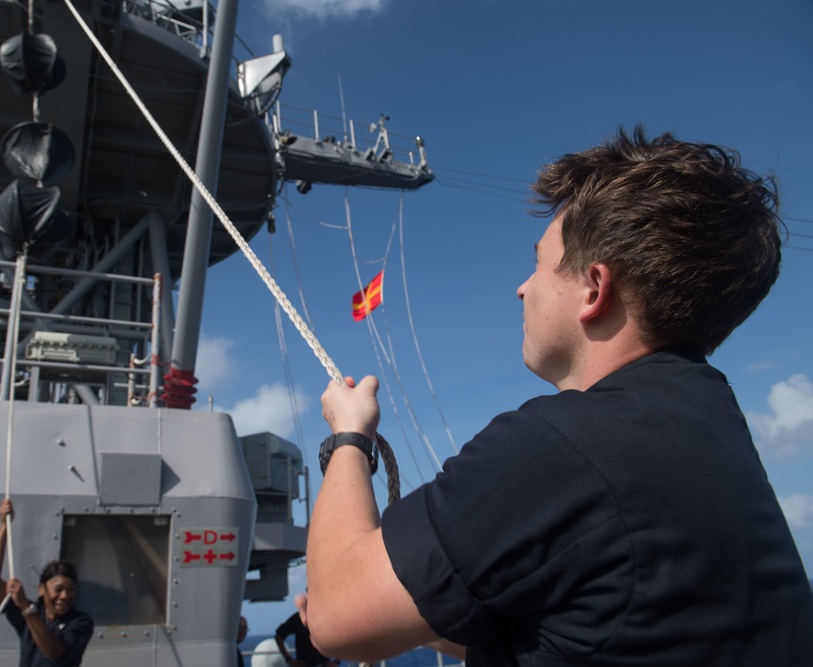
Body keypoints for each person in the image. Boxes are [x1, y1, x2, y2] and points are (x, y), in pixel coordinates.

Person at [306, 127, 813, 666]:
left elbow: (335, 614)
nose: (522, 288)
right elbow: (559, 627)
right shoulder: (714, 434)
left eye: (541, 263)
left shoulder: (561, 446)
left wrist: (350, 436)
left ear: (594, 289)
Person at [0, 499, 94, 666]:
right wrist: (4, 527)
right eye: (58, 589)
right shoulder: (31, 613)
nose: (64, 596)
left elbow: (53, 651)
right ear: (42, 589)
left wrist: (26, 609)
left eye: (70, 590)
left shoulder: (81, 622)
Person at [275, 593, 339, 667]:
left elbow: (341, 636)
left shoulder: (324, 617)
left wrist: (336, 661)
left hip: (323, 664)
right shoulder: (296, 619)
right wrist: (288, 659)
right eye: (303, 608)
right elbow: (278, 636)